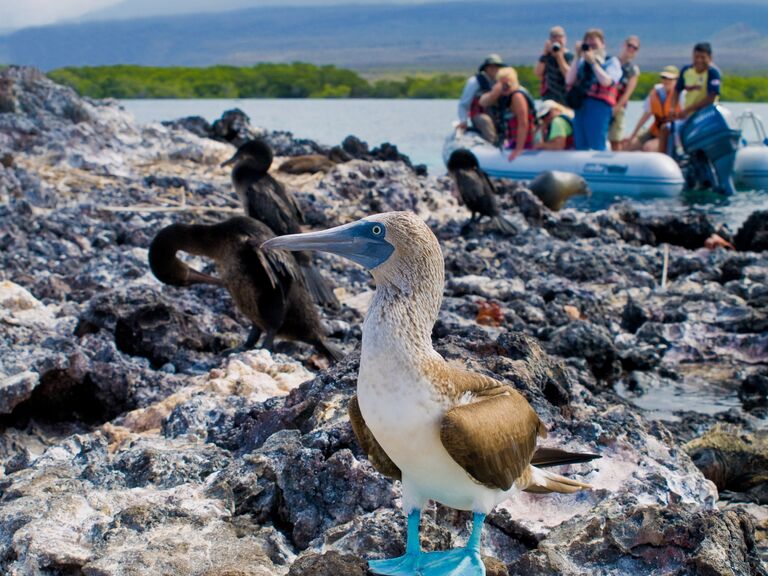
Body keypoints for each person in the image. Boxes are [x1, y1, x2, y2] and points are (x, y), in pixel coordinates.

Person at [658, 42, 722, 155]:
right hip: (689, 116)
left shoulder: (713, 73)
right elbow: (677, 90)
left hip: (707, 116)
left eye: (703, 57)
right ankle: (663, 160)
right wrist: (673, 108)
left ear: (710, 58)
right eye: (696, 57)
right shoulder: (686, 71)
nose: (699, 60)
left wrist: (688, 110)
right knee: (665, 129)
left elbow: (711, 97)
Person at [565, 29, 623, 151]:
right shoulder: (581, 62)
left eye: (594, 45)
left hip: (599, 107)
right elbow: (569, 80)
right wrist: (577, 55)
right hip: (581, 105)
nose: (591, 49)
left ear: (603, 44)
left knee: (597, 142)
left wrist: (593, 63)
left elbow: (606, 81)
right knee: (580, 143)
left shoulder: (611, 62)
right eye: (589, 46)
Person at [477, 67, 536, 159]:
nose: (505, 87)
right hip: (513, 140)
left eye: (508, 83)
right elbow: (482, 102)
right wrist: (494, 93)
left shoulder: (517, 97)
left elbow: (523, 123)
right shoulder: (503, 95)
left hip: (526, 142)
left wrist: (518, 149)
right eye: (502, 84)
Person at [624, 66, 680, 152]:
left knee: (648, 147)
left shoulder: (682, 95)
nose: (667, 81)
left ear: (676, 80)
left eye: (670, 79)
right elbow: (645, 116)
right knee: (627, 144)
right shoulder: (655, 92)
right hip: (655, 131)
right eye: (664, 78)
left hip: (671, 135)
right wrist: (633, 135)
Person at [457, 54, 506, 143]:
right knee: (485, 121)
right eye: (491, 66)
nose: (494, 69)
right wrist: (463, 120)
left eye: (497, 66)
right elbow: (464, 104)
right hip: (479, 114)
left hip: (498, 115)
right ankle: (491, 146)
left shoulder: (502, 81)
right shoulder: (475, 82)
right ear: (485, 68)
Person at [609, 36, 641, 150]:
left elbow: (628, 93)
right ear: (624, 45)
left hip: (618, 107)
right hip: (606, 103)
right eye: (629, 46)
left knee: (616, 139)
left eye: (635, 48)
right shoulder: (611, 62)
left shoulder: (633, 69)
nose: (631, 49)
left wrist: (616, 108)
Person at [534, 26, 574, 106]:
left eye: (560, 37)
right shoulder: (546, 57)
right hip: (549, 97)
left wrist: (559, 57)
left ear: (565, 39)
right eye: (554, 37)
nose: (557, 39)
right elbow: (537, 73)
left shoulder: (569, 56)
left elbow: (569, 76)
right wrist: (545, 54)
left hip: (565, 97)